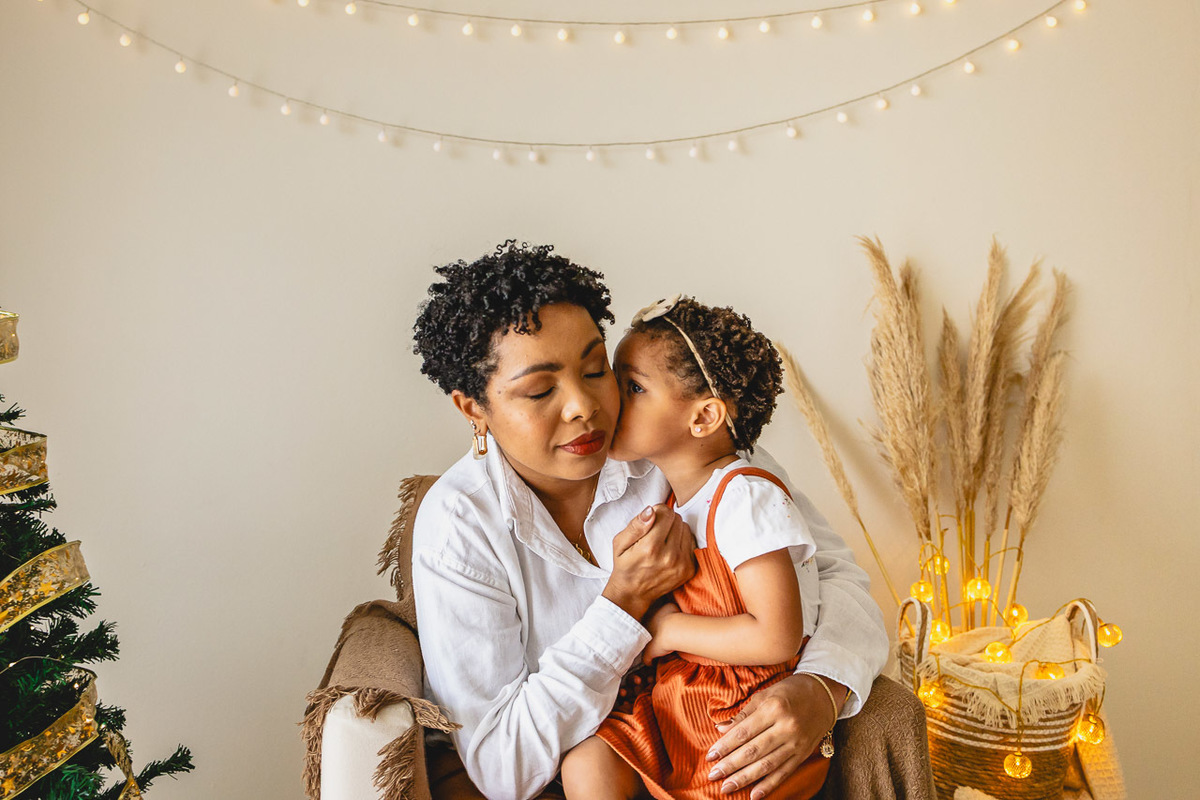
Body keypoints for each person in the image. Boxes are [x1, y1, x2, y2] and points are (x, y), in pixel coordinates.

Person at [410, 242, 888, 800]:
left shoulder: (681, 443)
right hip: (593, 764)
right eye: (540, 389)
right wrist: (623, 606)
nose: (584, 408)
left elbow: (839, 580)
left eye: (595, 370)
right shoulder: (459, 525)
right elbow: (502, 765)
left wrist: (822, 687)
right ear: (473, 408)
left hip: (714, 735)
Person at [561, 295, 833, 800]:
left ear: (704, 416)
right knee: (586, 759)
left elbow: (777, 637)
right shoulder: (674, 496)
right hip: (680, 702)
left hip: (739, 717)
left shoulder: (745, 496)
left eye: (634, 387)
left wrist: (665, 628)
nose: (611, 402)